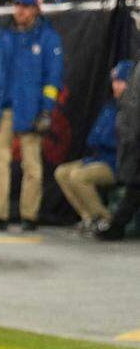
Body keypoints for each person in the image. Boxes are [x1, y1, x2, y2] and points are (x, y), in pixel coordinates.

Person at [0, 0, 63, 232]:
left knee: (32, 165)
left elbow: (53, 79)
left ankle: (29, 216)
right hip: (3, 108)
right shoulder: (4, 35)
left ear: (36, 8)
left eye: (25, 6)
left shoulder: (48, 38)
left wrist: (46, 111)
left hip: (31, 110)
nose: (20, 10)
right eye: (17, 5)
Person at [54, 61, 131, 233]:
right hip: (98, 157)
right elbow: (94, 138)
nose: (116, 86)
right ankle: (88, 217)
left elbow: (123, 142)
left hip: (116, 163)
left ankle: (105, 219)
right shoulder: (110, 106)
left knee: (78, 177)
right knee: (62, 172)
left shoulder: (131, 109)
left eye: (121, 82)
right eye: (115, 81)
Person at [97, 59, 140, 240]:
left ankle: (117, 226)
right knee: (135, 186)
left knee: (135, 186)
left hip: (133, 138)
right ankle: (116, 226)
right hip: (134, 139)